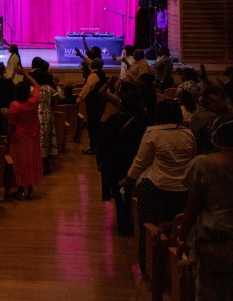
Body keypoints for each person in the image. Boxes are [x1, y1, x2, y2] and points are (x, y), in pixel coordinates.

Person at [124, 99, 197, 275]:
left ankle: (149, 268)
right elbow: (192, 160)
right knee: (177, 230)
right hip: (183, 189)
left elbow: (140, 161)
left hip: (156, 187)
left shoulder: (153, 133)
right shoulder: (188, 134)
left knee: (149, 229)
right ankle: (174, 271)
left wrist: (128, 179)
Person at [181, 116, 233, 300]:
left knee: (211, 291)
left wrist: (181, 238)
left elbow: (192, 206)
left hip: (213, 238)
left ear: (218, 137)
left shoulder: (203, 163)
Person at [96, 94, 149, 236]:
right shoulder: (143, 122)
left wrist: (100, 162)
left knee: (121, 195)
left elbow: (101, 143)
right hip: (136, 162)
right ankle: (139, 225)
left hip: (115, 163)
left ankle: (124, 226)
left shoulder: (112, 120)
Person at [7, 69, 42, 200]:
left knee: (20, 164)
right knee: (31, 162)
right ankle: (30, 189)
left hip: (19, 138)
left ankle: (21, 189)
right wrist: (26, 74)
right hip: (33, 137)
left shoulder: (15, 106)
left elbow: (11, 124)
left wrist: (8, 137)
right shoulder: (34, 102)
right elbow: (37, 86)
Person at [77, 57, 109, 155]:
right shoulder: (102, 73)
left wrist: (79, 99)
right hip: (101, 102)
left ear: (92, 65)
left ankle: (93, 147)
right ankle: (97, 146)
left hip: (93, 103)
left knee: (92, 126)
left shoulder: (93, 76)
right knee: (96, 125)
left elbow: (87, 88)